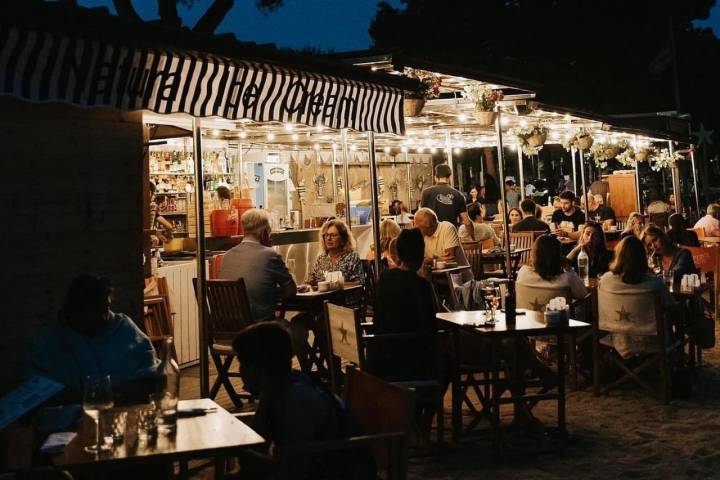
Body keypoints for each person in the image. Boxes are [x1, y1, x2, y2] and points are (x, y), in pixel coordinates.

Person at [232, 322, 376, 480]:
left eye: (242, 363)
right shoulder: (278, 387)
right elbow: (258, 443)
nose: (240, 371)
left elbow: (295, 468)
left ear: (257, 368)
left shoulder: (297, 399)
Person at [24, 275, 159, 399]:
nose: (104, 316)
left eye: (106, 308)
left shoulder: (122, 328)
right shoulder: (50, 341)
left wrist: (125, 391)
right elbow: (34, 389)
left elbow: (151, 370)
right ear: (76, 312)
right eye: (94, 311)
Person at [370, 228, 438, 381]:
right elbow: (431, 324)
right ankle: (426, 402)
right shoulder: (420, 285)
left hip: (379, 356)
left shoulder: (384, 278)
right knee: (450, 359)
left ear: (398, 254)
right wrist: (428, 282)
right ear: (421, 255)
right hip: (411, 360)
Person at [598, 236, 675, 358]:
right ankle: (676, 364)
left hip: (619, 340)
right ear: (643, 258)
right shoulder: (655, 284)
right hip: (653, 341)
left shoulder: (606, 280)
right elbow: (670, 306)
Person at [220, 209, 296, 322]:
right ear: (264, 232)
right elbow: (291, 291)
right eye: (269, 232)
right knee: (300, 327)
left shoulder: (226, 256)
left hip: (228, 325)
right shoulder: (270, 255)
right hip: (259, 328)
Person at [516, 235, 589, 302]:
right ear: (559, 257)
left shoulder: (523, 272)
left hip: (528, 315)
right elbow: (583, 294)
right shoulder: (567, 278)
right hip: (558, 316)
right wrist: (569, 269)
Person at [420, 164, 474, 239]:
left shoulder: (426, 193)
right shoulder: (458, 195)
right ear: (449, 177)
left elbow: (421, 217)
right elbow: (467, 221)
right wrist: (473, 238)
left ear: (435, 178)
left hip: (431, 236)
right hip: (451, 236)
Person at [309, 219, 363, 284]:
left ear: (343, 238)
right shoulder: (321, 258)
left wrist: (335, 285)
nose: (328, 238)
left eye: (333, 235)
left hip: (345, 293)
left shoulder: (352, 257)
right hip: (323, 294)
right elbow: (311, 281)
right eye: (326, 235)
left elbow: (359, 282)